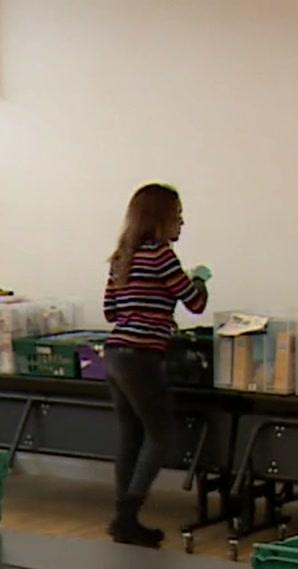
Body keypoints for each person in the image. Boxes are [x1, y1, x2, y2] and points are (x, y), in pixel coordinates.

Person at [101, 183, 209, 546]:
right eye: (177, 215)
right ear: (160, 219)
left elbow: (110, 311)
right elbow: (194, 302)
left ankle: (122, 516)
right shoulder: (162, 256)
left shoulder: (121, 257)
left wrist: (144, 305)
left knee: (129, 436)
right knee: (161, 434)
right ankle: (128, 517)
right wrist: (199, 279)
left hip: (115, 354)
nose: (182, 222)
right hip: (142, 356)